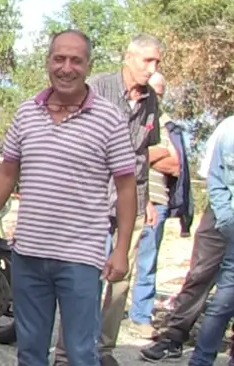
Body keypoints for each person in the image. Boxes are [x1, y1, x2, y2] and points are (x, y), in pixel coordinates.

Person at [0, 29, 136, 366]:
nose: (66, 67)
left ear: (88, 66)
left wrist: (121, 250)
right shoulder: (27, 112)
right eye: (59, 58)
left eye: (76, 60)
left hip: (80, 257)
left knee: (80, 353)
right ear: (48, 62)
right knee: (30, 352)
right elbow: (6, 173)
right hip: (29, 253)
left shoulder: (109, 118)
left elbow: (126, 187)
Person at [46, 33, 162, 365]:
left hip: (132, 197)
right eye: (147, 61)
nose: (151, 69)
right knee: (83, 279)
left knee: (121, 278)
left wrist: (150, 199)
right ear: (129, 58)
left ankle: (105, 349)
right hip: (93, 199)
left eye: (157, 63)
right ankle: (67, 353)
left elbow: (143, 153)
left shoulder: (151, 99)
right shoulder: (97, 88)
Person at [140, 128, 222, 362]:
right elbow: (210, 174)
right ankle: (172, 339)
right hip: (221, 211)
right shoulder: (228, 128)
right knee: (199, 276)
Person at [129, 72, 180, 337]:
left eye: (159, 92)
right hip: (132, 197)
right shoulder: (136, 118)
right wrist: (146, 154)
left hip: (158, 201)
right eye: (152, 91)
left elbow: (176, 165)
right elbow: (131, 153)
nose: (155, 96)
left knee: (147, 263)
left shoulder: (166, 124)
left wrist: (146, 155)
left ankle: (139, 316)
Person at [182, 115, 234, 366]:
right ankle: (201, 360)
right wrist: (226, 220)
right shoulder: (229, 130)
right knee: (223, 302)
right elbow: (215, 178)